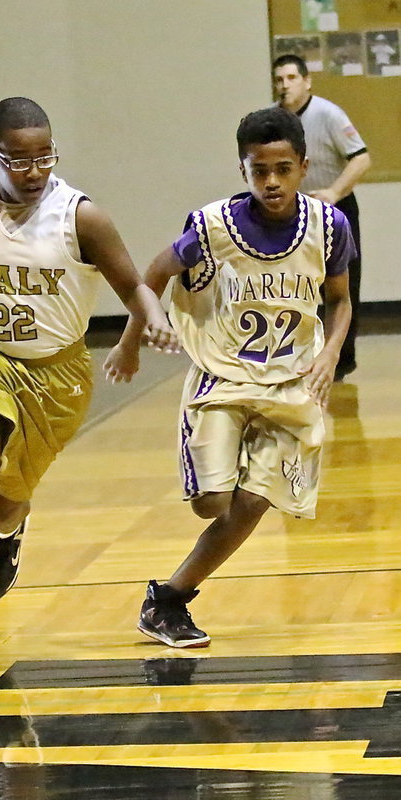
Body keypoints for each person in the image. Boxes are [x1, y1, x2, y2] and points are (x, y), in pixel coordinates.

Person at [0, 97, 177, 684]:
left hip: (56, 376)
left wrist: (155, 319)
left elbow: (132, 285)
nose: (34, 170)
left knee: (7, 495)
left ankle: (5, 534)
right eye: (18, 160)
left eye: (45, 156)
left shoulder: (81, 217)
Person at [104, 106, 354, 647]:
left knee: (255, 502)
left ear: (303, 166)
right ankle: (223, 456)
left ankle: (168, 601)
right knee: (212, 502)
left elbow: (340, 300)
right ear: (243, 170)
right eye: (259, 170)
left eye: (283, 169)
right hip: (223, 377)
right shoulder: (212, 227)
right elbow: (154, 272)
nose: (272, 181)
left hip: (289, 383)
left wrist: (331, 354)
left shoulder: (330, 226)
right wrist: (131, 341)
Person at [272, 53, 371, 381]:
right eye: (279, 79)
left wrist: (333, 192)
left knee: (341, 285)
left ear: (307, 81)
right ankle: (295, 356)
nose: (284, 85)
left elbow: (361, 158)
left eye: (291, 78)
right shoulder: (272, 120)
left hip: (335, 209)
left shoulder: (328, 114)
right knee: (292, 284)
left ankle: (339, 361)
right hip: (291, 212)